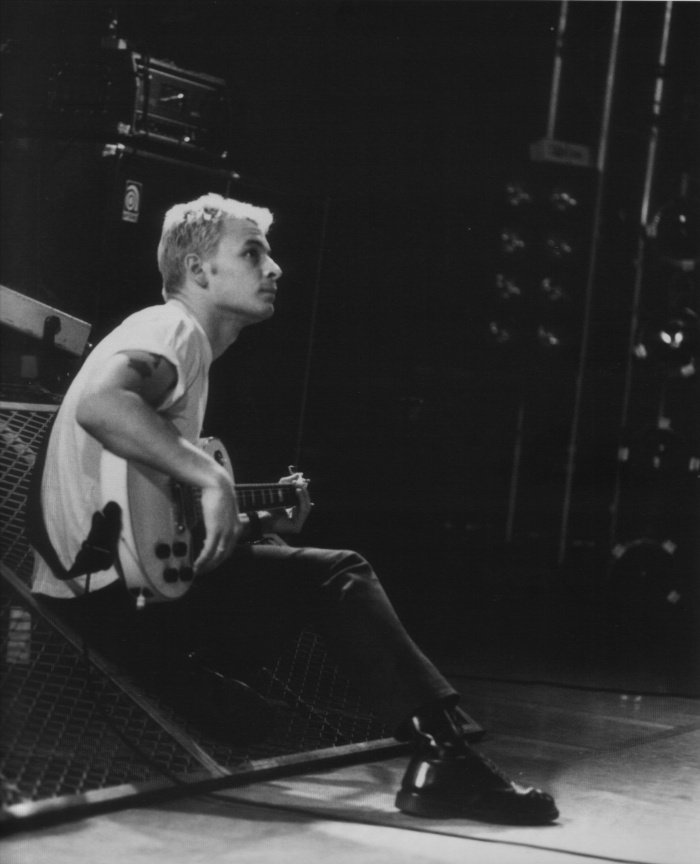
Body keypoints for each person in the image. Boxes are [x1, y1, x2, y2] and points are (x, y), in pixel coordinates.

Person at [29, 193, 558, 824]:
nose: (275, 267)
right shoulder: (172, 329)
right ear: (198, 271)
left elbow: (149, 522)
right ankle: (445, 760)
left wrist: (247, 521)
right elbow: (102, 405)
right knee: (337, 574)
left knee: (273, 574)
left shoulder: (177, 345)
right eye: (252, 253)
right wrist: (213, 480)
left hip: (104, 607)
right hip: (111, 613)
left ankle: (202, 688)